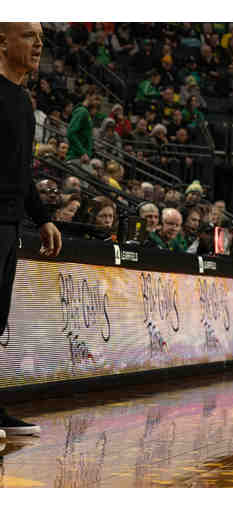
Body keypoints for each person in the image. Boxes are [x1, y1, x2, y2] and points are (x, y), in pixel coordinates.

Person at [0, 22, 62, 437]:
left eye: (40, 37)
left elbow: (20, 173)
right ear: (2, 41)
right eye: (28, 35)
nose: (38, 43)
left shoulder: (23, 101)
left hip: (9, 225)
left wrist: (42, 217)